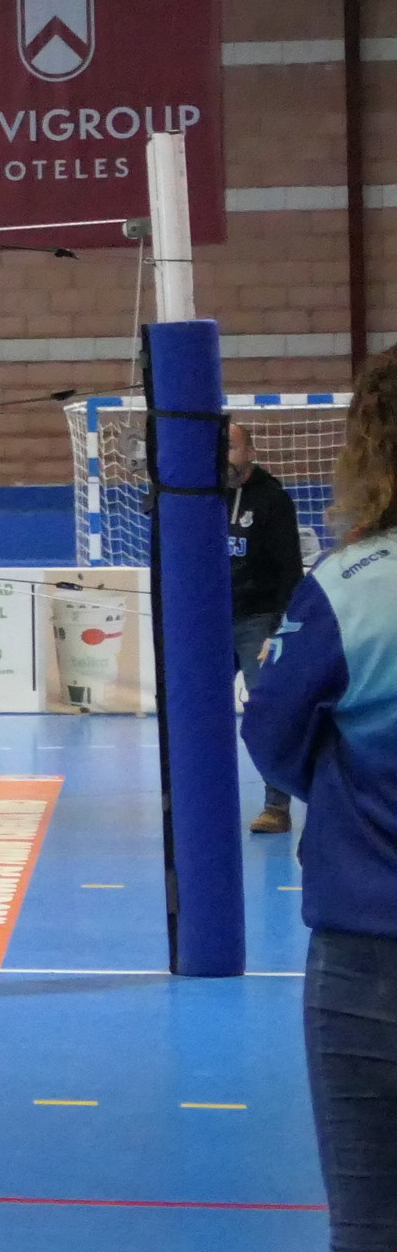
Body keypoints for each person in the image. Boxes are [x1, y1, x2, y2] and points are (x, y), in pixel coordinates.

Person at [243, 349, 397, 1249]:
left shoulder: (347, 588)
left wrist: (336, 793)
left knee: (371, 1225)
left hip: (368, 952)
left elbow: (272, 732)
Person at [229, 421, 306, 835]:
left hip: (257, 620)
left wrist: (278, 628)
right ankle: (199, 798)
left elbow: (290, 570)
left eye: (232, 447)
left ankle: (277, 806)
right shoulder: (202, 497)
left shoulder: (272, 499)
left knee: (266, 712)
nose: (224, 456)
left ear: (251, 452)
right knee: (195, 710)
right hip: (206, 623)